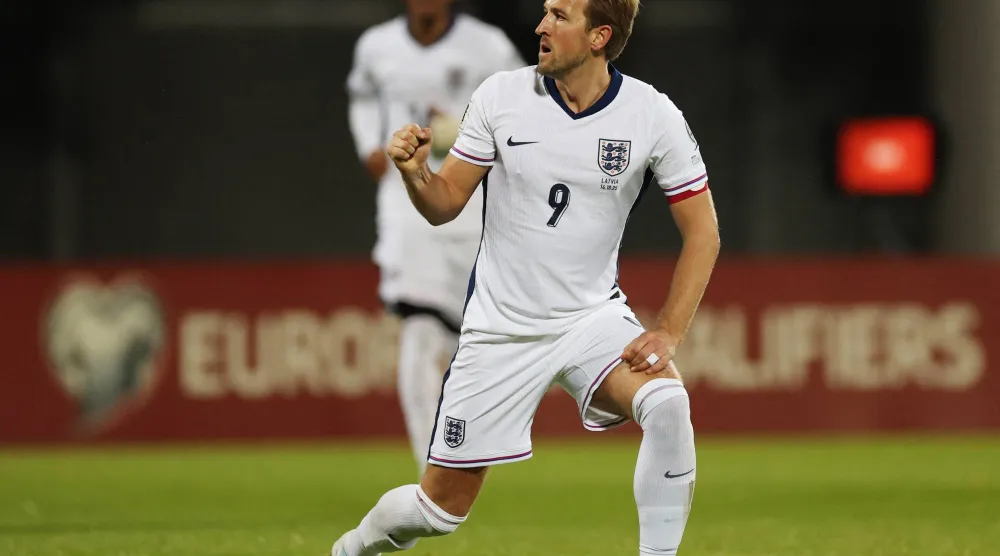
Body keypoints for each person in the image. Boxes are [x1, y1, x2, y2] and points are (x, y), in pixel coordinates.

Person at [334, 0, 720, 553]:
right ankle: (351, 548)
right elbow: (445, 204)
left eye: (560, 16)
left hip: (591, 319)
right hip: (501, 329)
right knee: (438, 512)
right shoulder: (500, 96)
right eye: (545, 13)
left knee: (667, 403)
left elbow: (703, 232)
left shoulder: (651, 115)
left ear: (598, 36)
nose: (541, 26)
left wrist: (669, 332)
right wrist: (417, 172)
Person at [346, 0, 524, 474]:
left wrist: (455, 131)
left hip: (469, 209)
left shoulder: (488, 46)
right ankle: (433, 471)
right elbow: (362, 97)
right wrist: (369, 144)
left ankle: (468, 447)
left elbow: (526, 107)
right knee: (420, 328)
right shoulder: (376, 46)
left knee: (473, 341)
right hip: (406, 208)